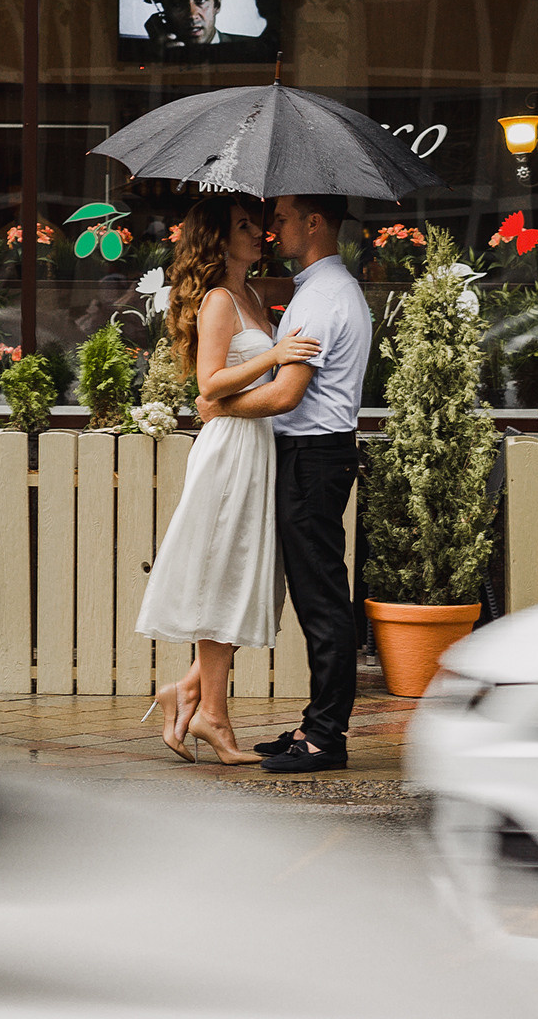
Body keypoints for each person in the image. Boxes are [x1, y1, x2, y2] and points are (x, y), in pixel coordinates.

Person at [136, 195, 321, 765]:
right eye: (244, 226)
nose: (258, 233)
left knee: (239, 575)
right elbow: (209, 384)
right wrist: (275, 355)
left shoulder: (254, 295)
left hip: (256, 446)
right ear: (217, 239)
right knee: (223, 574)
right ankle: (211, 715)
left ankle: (190, 694)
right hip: (230, 450)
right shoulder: (218, 299)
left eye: (258, 224)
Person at [197, 195, 371, 773]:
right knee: (320, 593)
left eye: (283, 217)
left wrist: (220, 408)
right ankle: (314, 723)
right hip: (317, 455)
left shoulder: (320, 297)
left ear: (313, 223)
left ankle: (325, 737)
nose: (273, 227)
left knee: (322, 600)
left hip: (311, 457)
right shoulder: (326, 288)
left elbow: (287, 394)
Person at [140, 0, 273, 64]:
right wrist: (159, 59)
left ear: (217, 4)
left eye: (201, 1)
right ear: (165, 11)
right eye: (178, 4)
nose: (192, 15)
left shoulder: (252, 50)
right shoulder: (152, 54)